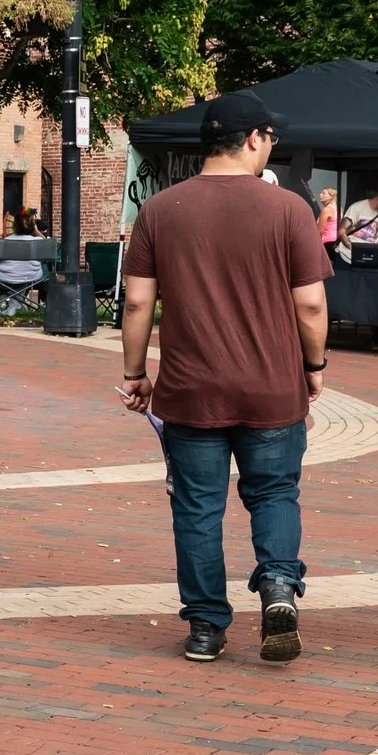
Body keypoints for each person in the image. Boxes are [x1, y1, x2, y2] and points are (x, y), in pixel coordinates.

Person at [119, 91, 331, 665]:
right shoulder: (289, 210)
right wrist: (314, 368)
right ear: (256, 138)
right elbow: (310, 306)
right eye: (272, 139)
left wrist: (136, 373)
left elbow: (137, 303)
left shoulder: (160, 210)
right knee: (274, 493)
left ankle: (206, 627)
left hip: (191, 389)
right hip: (272, 386)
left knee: (196, 508)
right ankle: (280, 588)